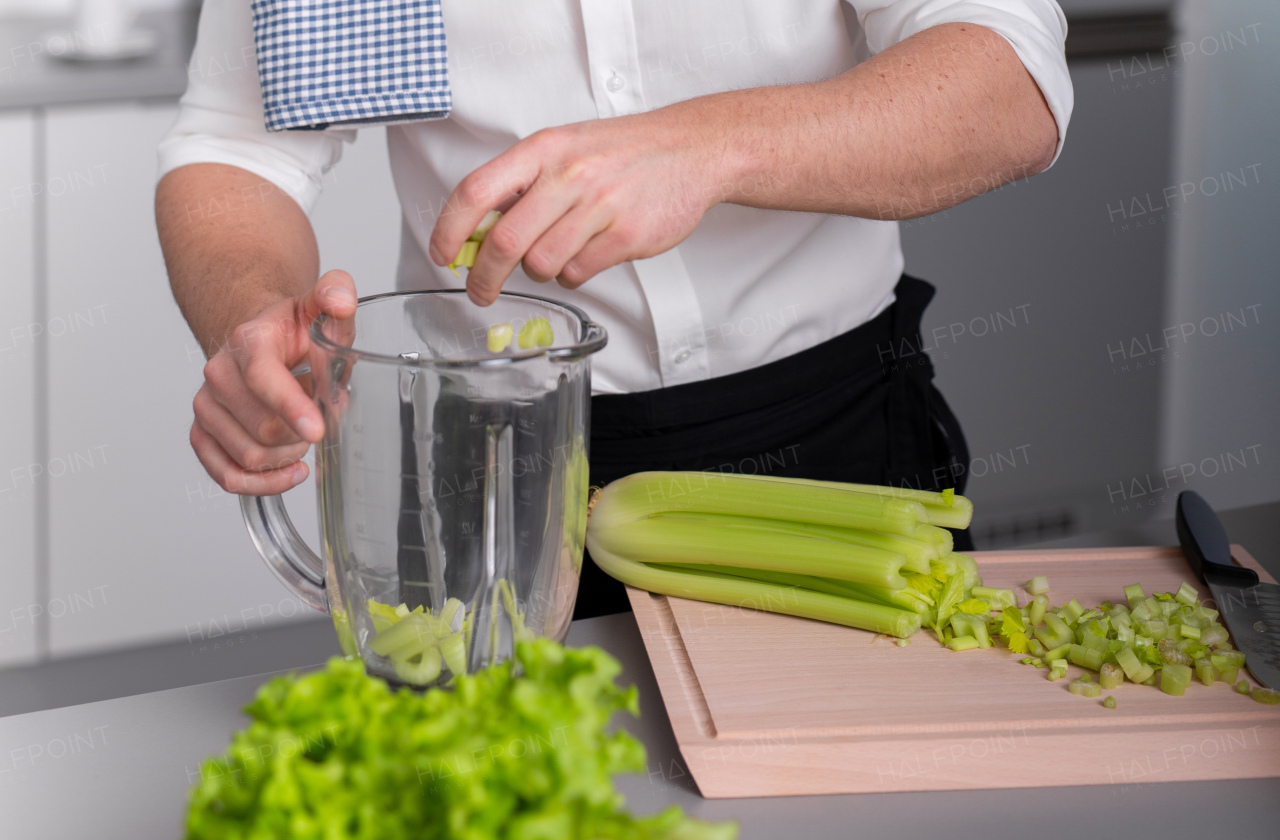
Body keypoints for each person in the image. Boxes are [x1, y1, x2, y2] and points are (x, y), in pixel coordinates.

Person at [156, 0, 1072, 619]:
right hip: (491, 477)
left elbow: (1008, 76)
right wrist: (256, 314)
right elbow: (238, 151)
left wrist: (710, 148)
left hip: (832, 445)